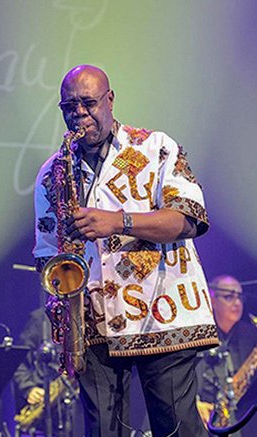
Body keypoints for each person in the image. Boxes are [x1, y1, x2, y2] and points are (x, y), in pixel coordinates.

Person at [32, 65, 218, 436]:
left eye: (88, 103)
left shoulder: (156, 147)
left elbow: (189, 219)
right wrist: (63, 309)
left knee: (176, 428)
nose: (80, 115)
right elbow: (47, 253)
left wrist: (117, 222)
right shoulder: (53, 173)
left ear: (110, 100)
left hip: (164, 314)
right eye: (70, 107)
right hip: (94, 322)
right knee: (102, 430)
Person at [197, 275, 257, 434]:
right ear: (212, 299)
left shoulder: (250, 333)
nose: (237, 303)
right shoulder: (199, 335)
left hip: (232, 418)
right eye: (229, 297)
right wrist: (194, 404)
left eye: (240, 297)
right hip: (200, 417)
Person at [13, 308, 80, 437]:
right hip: (45, 399)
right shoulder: (39, 319)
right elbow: (18, 361)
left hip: (75, 403)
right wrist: (29, 388)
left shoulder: (82, 315)